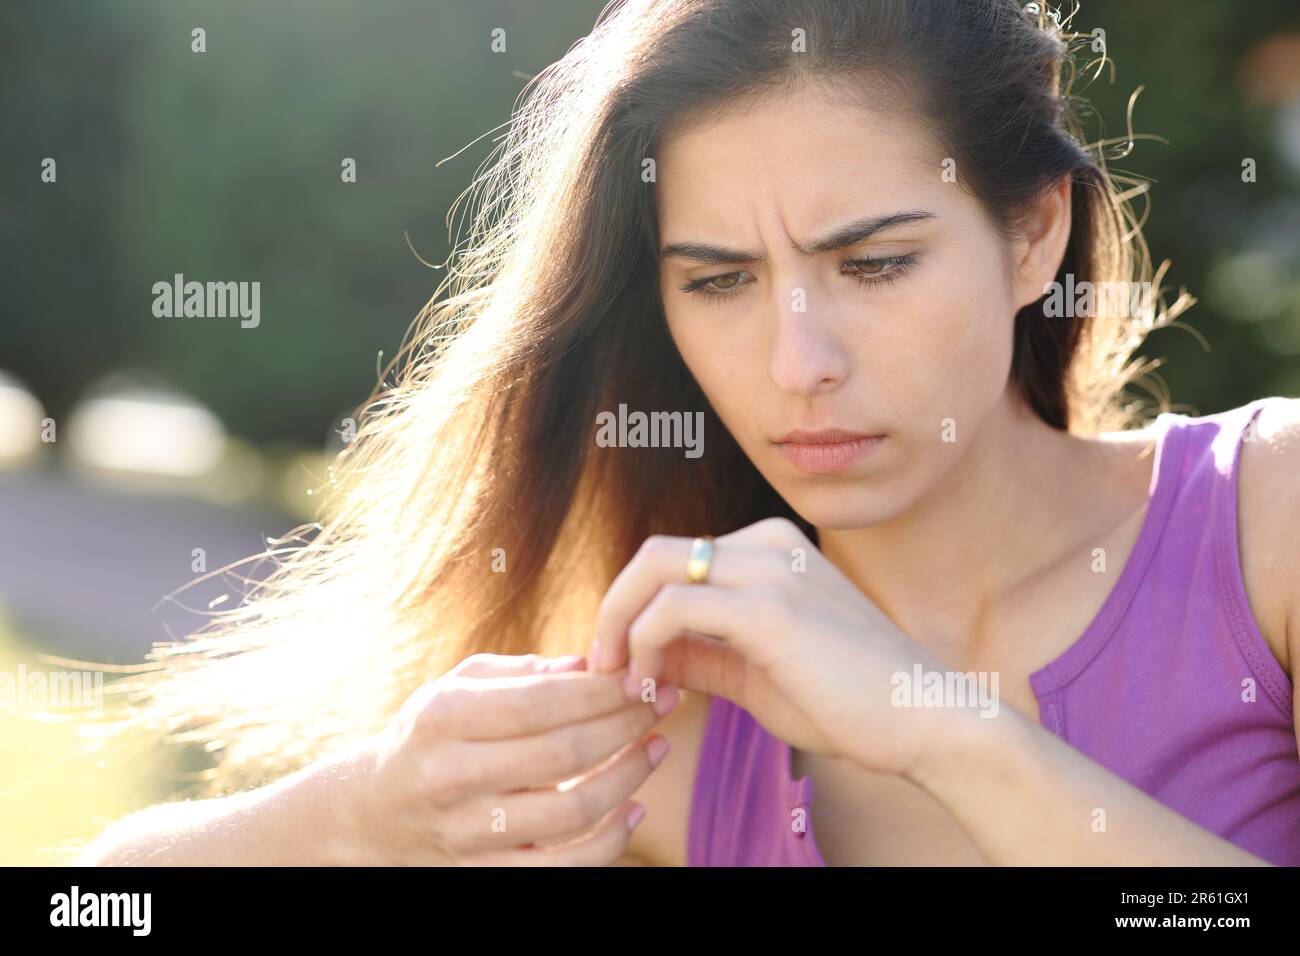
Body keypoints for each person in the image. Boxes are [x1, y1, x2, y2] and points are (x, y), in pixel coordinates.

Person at [77, 0, 1300, 866]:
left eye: (873, 263)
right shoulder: (682, 733)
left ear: (1032, 235)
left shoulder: (1265, 520)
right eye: (718, 281)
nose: (797, 363)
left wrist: (934, 721)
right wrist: (359, 811)